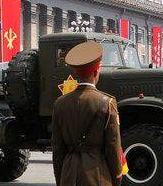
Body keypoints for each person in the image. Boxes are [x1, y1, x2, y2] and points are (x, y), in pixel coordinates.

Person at [51, 42, 123, 186]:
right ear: (96, 73)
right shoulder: (107, 103)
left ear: (77, 73)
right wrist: (116, 178)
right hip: (97, 175)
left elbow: (57, 148)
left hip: (68, 174)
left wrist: (61, 177)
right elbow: (113, 147)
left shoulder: (60, 104)